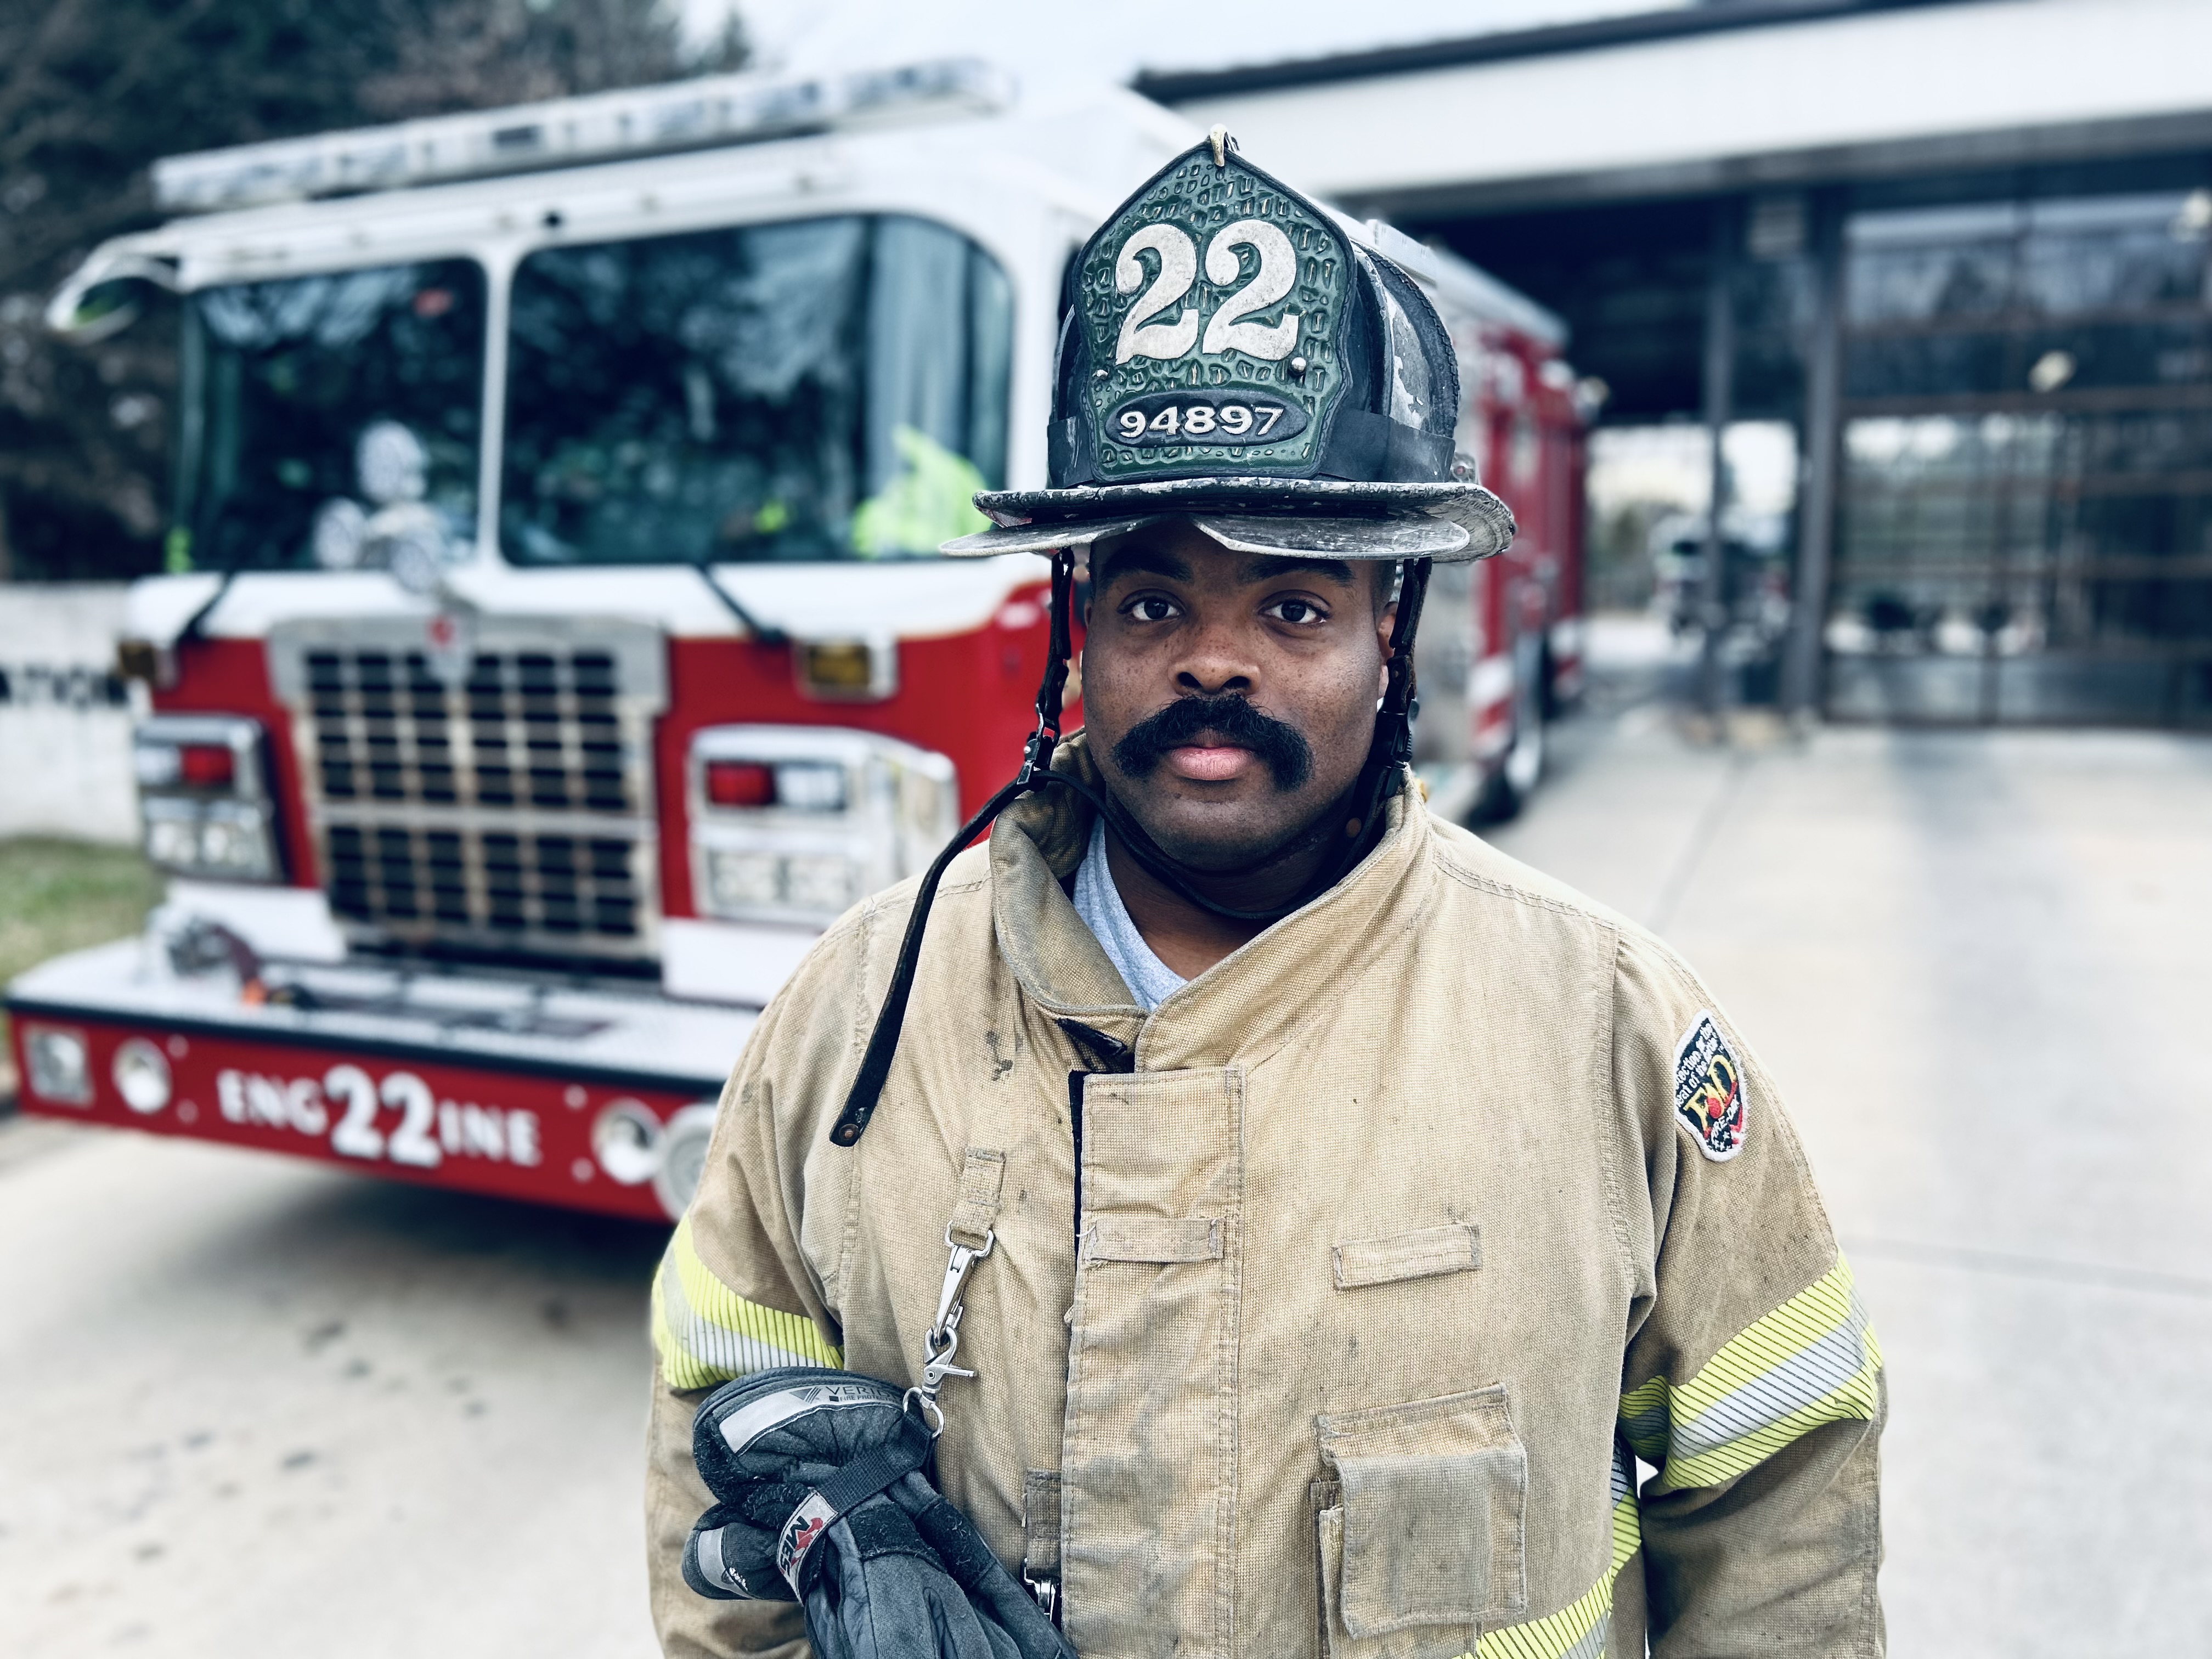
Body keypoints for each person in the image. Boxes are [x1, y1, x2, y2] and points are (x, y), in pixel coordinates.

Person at [646, 131, 1883, 1659]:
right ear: (1077, 633)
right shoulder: (854, 1013)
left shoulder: (1607, 1026)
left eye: (1293, 604)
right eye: (1152, 601)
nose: (1214, 662)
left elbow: (1783, 1511)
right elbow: (715, 1440)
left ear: (1391, 632)